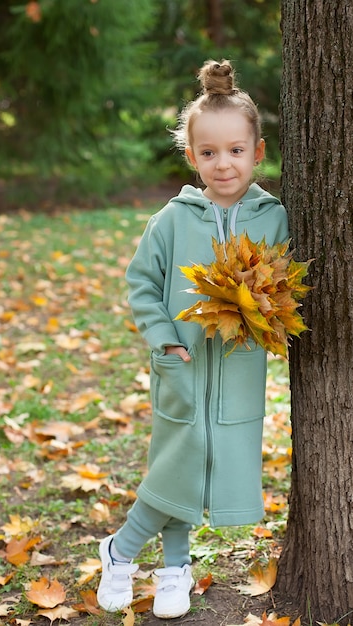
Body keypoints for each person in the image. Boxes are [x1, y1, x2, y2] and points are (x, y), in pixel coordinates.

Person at [97, 59, 289, 619]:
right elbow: (141, 282)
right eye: (208, 152)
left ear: (257, 152)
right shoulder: (172, 221)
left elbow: (283, 284)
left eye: (235, 150)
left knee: (212, 458)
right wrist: (163, 340)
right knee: (176, 463)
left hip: (239, 367)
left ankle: (165, 565)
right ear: (192, 157)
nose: (222, 163)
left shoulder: (274, 218)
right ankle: (142, 555)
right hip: (180, 362)